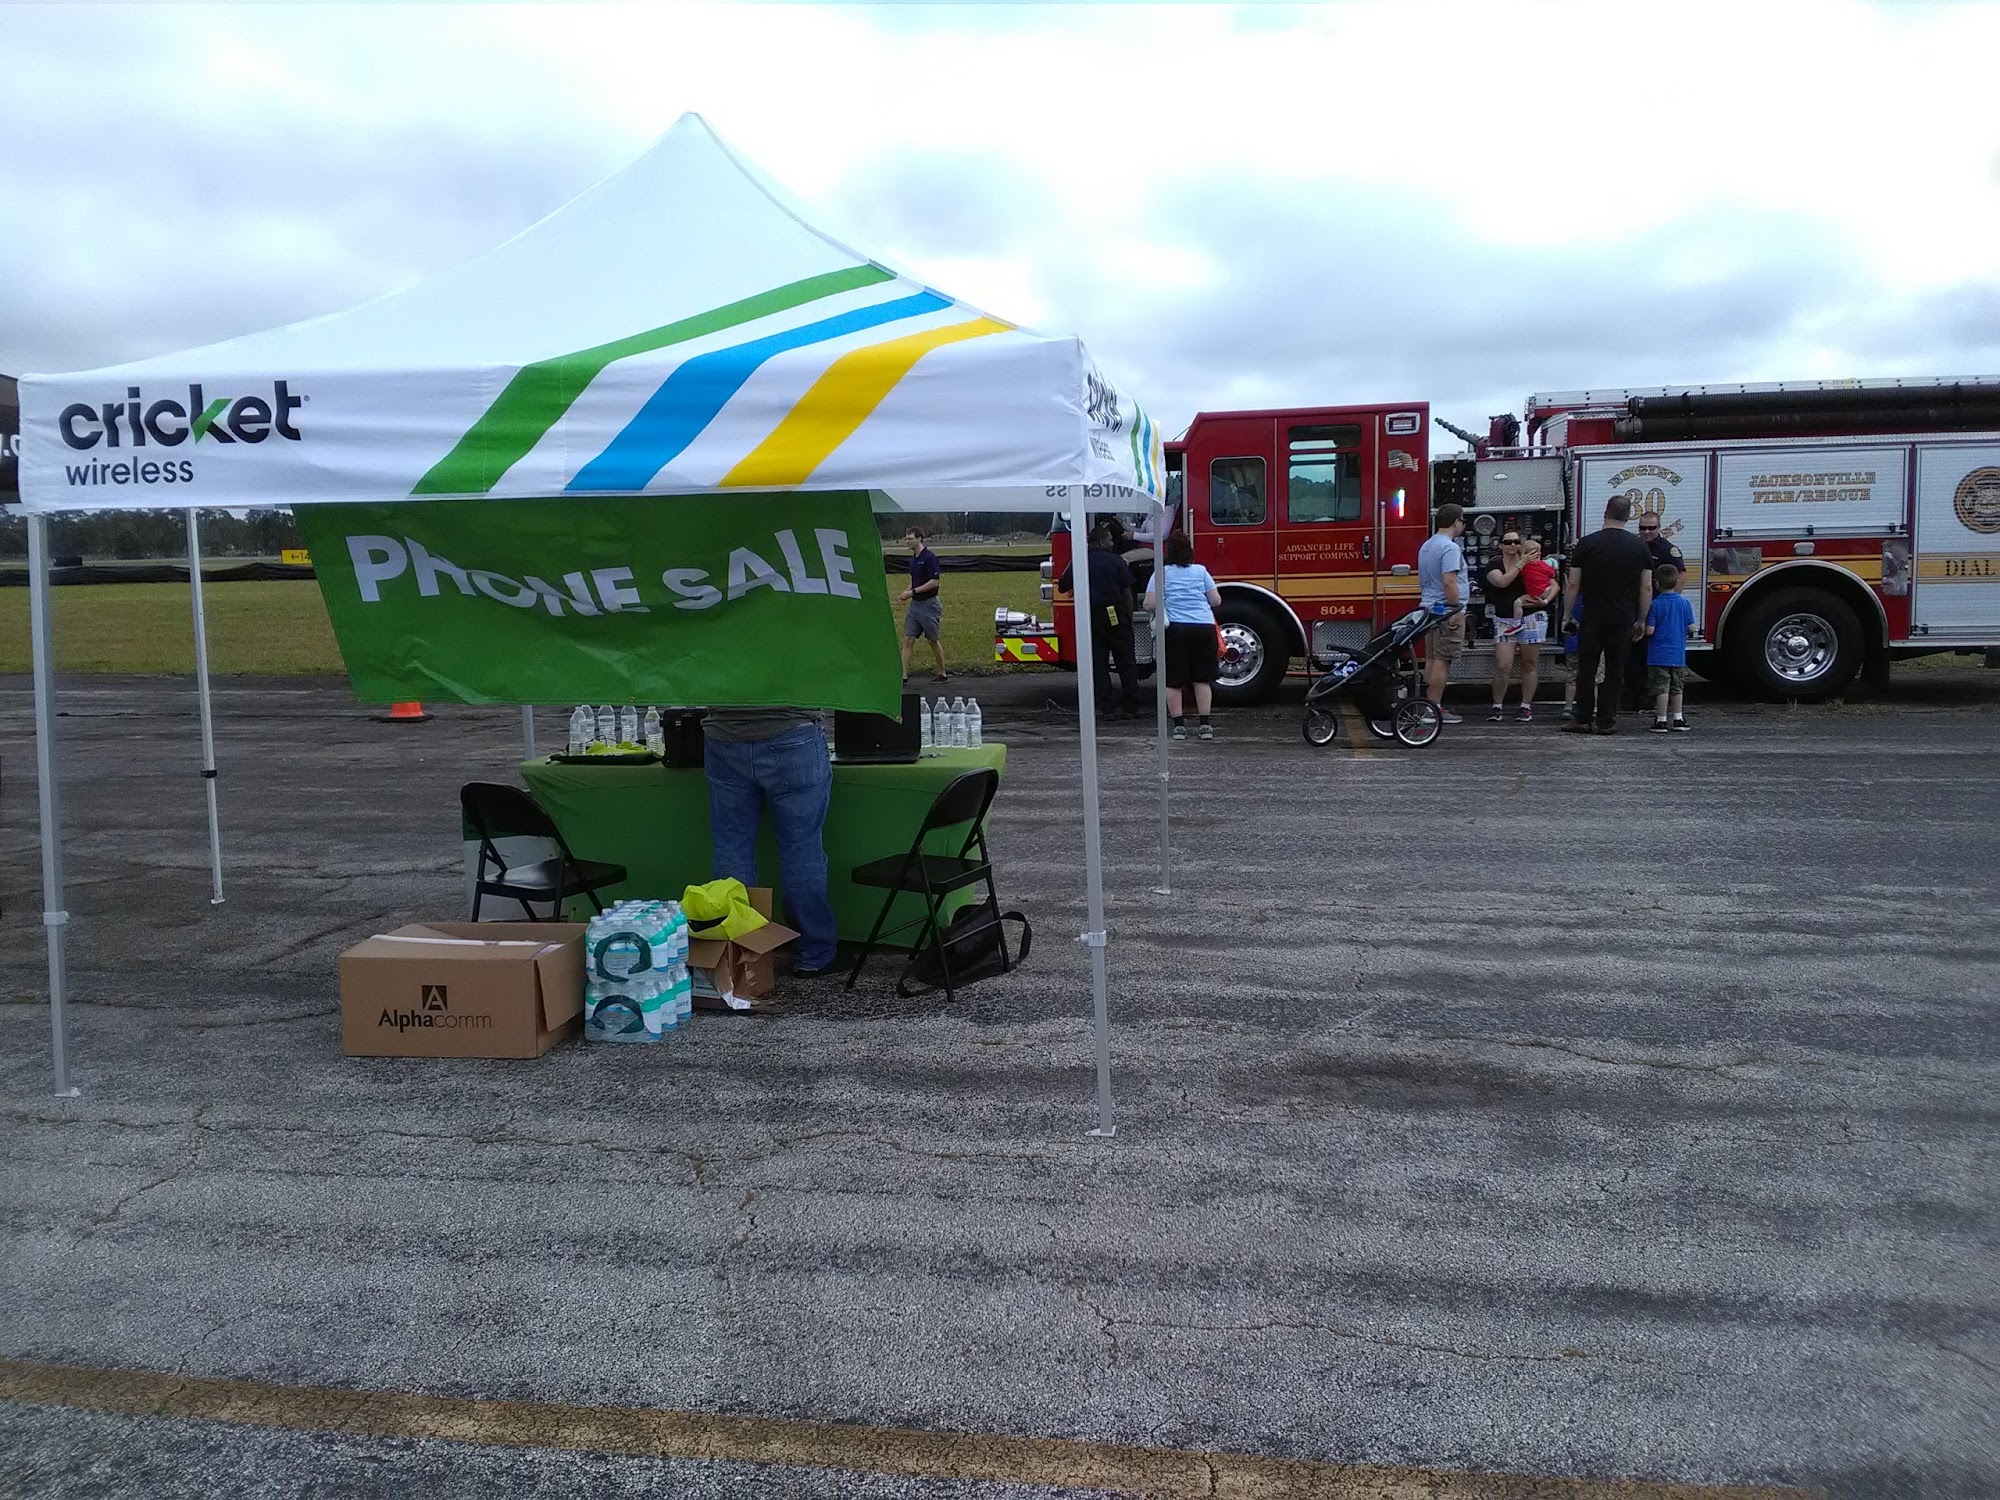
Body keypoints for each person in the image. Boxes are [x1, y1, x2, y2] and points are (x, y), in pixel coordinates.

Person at [701, 708, 839, 978]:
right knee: (802, 848)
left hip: (725, 734)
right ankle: (814, 952)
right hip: (793, 732)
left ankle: (739, 951)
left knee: (732, 845)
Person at [1561, 495, 1653, 735]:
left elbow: (1573, 584)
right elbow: (1646, 587)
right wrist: (1641, 619)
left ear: (1605, 512)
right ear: (1628, 516)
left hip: (1593, 616)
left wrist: (1567, 615)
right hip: (1623, 618)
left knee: (1586, 668)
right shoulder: (1639, 546)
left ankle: (1582, 718)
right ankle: (1606, 721)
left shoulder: (1587, 544)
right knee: (1615, 670)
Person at [1144, 532, 1222, 740]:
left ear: (1168, 552)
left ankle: (1179, 726)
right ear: (1190, 551)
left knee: (1174, 681)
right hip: (1204, 627)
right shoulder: (1201, 571)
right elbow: (1216, 601)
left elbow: (1149, 604)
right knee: (1202, 680)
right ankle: (1205, 726)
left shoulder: (1161, 573)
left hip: (1176, 629)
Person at [1058, 524, 1142, 718]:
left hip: (1093, 618)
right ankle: (1131, 707)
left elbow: (1062, 586)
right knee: (1127, 664)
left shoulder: (1080, 561)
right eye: (1110, 540)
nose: (1113, 543)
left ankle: (1107, 708)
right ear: (1102, 542)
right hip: (1117, 616)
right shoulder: (1117, 561)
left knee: (1099, 665)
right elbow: (1127, 592)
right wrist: (1128, 617)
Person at [1483, 532, 1557, 722]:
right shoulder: (1495, 565)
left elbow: (1554, 584)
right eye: (1507, 542)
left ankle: (1525, 706)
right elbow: (1502, 582)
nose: (1512, 545)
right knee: (1503, 665)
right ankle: (1497, 705)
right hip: (1504, 618)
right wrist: (1521, 563)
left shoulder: (1533, 563)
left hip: (1532, 616)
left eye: (1516, 541)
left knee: (1529, 663)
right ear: (1500, 545)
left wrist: (1545, 600)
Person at [1416, 503, 1468, 725]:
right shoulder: (1450, 547)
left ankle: (1427, 706)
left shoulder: (1427, 545)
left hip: (1429, 608)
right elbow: (1449, 581)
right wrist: (1455, 609)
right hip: (1445, 610)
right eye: (1463, 521)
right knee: (1442, 660)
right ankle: (1433, 709)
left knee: (1431, 658)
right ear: (1456, 521)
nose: (1463, 525)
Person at [1645, 565, 1695, 734]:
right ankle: (1678, 718)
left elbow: (1650, 630)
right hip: (1678, 654)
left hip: (1658, 655)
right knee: (1677, 688)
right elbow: (1691, 628)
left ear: (1657, 583)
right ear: (1677, 581)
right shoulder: (1684, 603)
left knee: (1661, 688)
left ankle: (1661, 720)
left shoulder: (1655, 605)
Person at [897, 528, 947, 684]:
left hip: (929, 605)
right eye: (906, 539)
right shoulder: (913, 560)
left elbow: (934, 582)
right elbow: (915, 581)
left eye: (910, 538)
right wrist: (906, 592)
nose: (907, 541)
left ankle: (942, 672)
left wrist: (912, 592)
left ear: (919, 539)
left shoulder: (929, 558)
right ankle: (903, 675)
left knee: (932, 640)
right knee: (908, 639)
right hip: (915, 605)